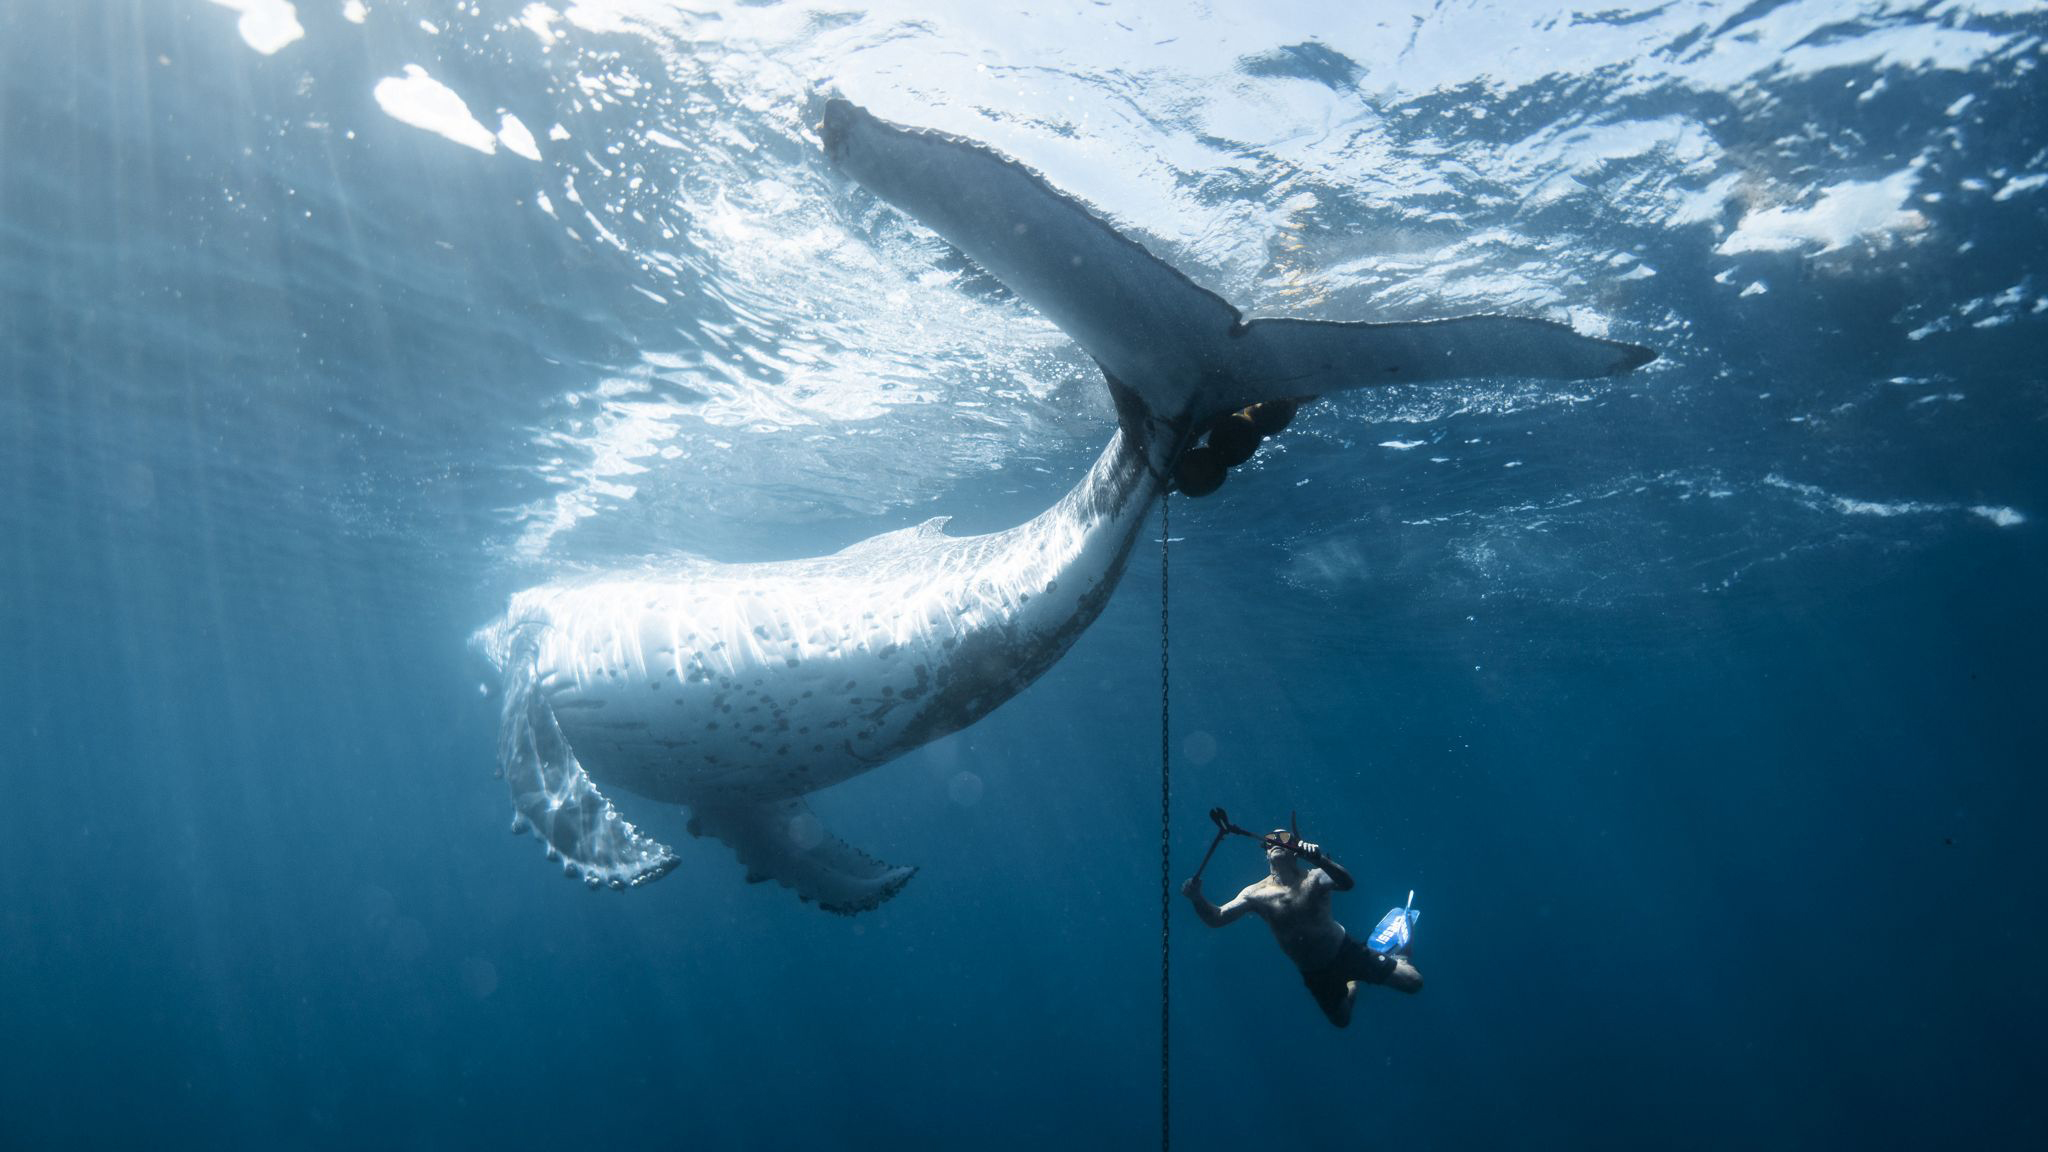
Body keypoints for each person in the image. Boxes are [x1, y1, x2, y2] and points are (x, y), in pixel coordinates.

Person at [1181, 830, 1422, 1028]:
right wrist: (1197, 898)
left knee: (1413, 982)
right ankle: (1352, 985)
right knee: (1342, 1021)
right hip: (1315, 973)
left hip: (1345, 951)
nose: (1275, 842)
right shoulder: (1255, 895)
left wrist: (1320, 860)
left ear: (1295, 848)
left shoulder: (1315, 876)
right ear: (1265, 853)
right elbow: (1217, 918)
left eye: (1284, 837)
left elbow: (1347, 884)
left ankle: (1397, 957)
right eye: (1269, 840)